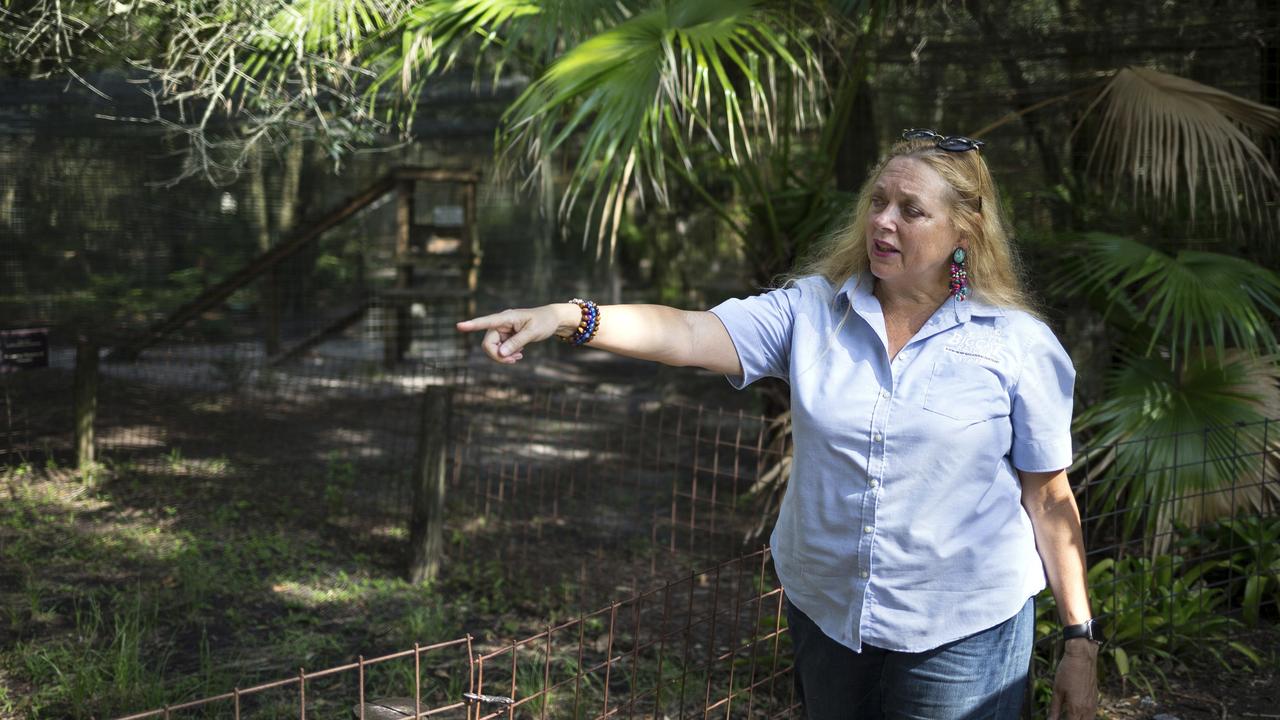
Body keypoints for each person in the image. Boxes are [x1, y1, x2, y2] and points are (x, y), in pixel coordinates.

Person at [457, 130, 1100, 720]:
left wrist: (1080, 641)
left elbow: (1048, 499)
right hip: (828, 619)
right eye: (878, 202)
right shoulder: (813, 312)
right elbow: (687, 331)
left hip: (961, 631)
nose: (883, 220)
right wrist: (571, 316)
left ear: (964, 231)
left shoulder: (1017, 346)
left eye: (911, 210)